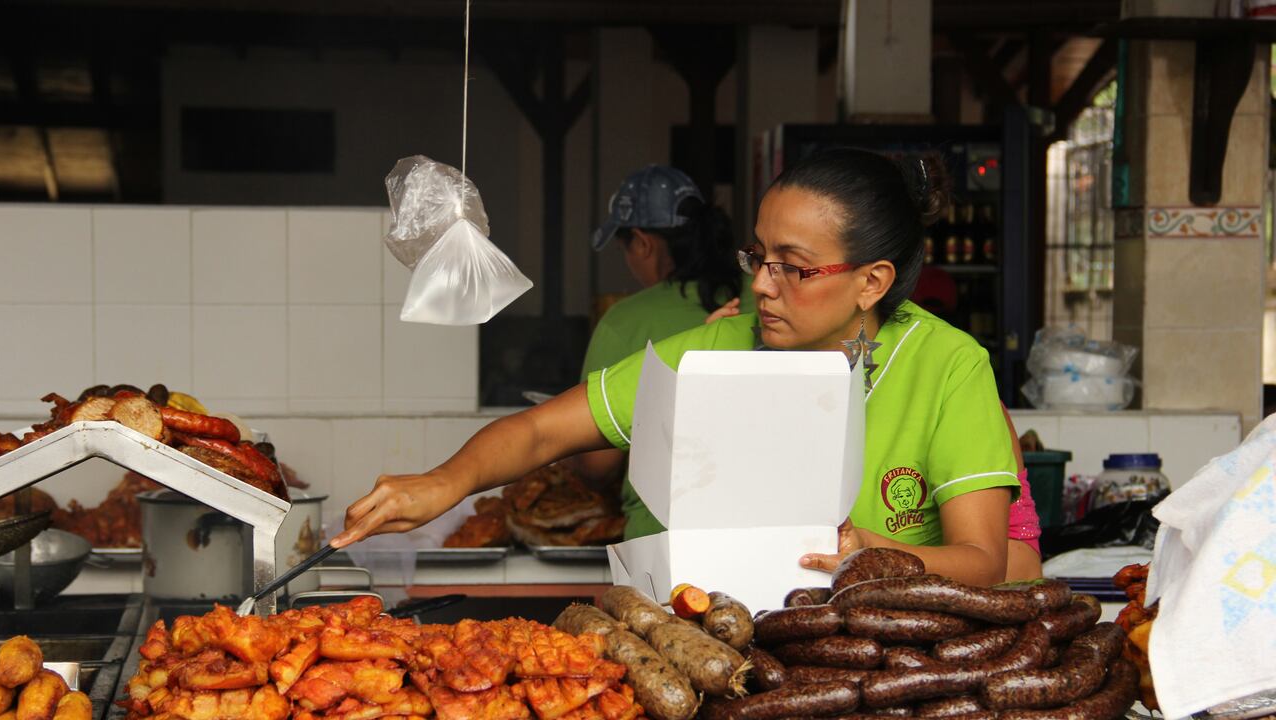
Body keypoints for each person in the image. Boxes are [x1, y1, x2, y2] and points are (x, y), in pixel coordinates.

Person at [334, 148, 1033, 586]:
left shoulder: (948, 367)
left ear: (873, 281)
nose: (763, 285)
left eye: (793, 267)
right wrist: (443, 482)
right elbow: (543, 434)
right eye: (759, 257)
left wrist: (874, 552)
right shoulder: (712, 349)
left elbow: (983, 561)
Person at [576, 165, 750, 537]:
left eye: (626, 249)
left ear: (642, 243)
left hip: (659, 541)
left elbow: (596, 463)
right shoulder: (766, 301)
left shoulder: (623, 321)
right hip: (756, 531)